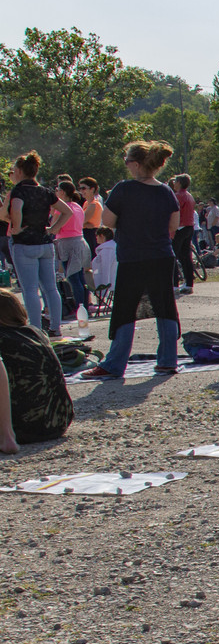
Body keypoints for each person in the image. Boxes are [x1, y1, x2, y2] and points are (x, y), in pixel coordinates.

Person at [79, 140, 181, 379]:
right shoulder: (165, 190)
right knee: (165, 307)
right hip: (162, 255)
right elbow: (174, 225)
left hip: (133, 256)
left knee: (125, 308)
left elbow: (109, 222)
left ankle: (115, 364)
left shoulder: (124, 189)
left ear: (135, 164)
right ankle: (168, 360)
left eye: (127, 162)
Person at [0, 290, 72, 453]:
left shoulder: (3, 339)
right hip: (59, 420)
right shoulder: (37, 333)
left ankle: (5, 436)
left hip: (24, 427)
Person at [6, 152, 65, 334]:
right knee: (50, 288)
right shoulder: (45, 191)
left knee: (30, 290)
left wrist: (16, 227)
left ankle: (36, 328)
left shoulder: (19, 190)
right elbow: (67, 211)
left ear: (20, 171)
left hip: (24, 244)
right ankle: (56, 327)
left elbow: (16, 208)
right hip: (45, 243)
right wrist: (53, 229)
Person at [52, 181, 92, 317]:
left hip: (67, 243)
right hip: (80, 241)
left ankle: (79, 308)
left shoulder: (61, 208)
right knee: (80, 278)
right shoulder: (77, 206)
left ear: (62, 192)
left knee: (74, 279)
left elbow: (54, 226)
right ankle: (85, 307)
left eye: (57, 190)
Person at [169, 173, 197, 294]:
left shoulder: (177, 196)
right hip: (189, 226)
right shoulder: (189, 196)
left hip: (179, 227)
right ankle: (189, 283)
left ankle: (174, 284)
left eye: (175, 181)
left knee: (173, 255)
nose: (174, 184)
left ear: (179, 183)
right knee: (186, 256)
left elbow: (172, 211)